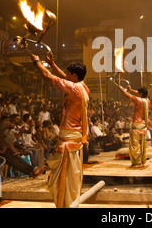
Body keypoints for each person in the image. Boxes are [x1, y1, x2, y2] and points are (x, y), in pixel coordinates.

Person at [31, 53, 89, 208]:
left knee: (63, 177)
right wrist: (53, 64)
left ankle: (66, 204)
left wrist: (37, 62)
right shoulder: (83, 88)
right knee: (68, 174)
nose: (66, 76)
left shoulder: (74, 88)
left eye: (69, 74)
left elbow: (47, 76)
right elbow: (64, 78)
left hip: (68, 137)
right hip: (74, 136)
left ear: (74, 76)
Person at [115, 84, 150, 169]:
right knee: (142, 145)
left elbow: (128, 95)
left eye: (138, 92)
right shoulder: (147, 100)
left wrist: (121, 89)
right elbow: (136, 93)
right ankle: (141, 161)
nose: (137, 93)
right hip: (143, 126)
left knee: (135, 145)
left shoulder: (138, 100)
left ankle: (136, 163)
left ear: (141, 94)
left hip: (137, 125)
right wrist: (130, 89)